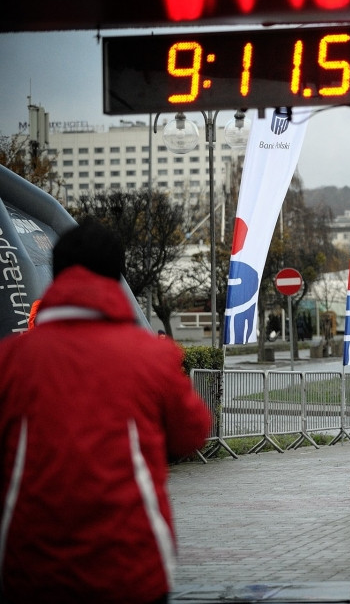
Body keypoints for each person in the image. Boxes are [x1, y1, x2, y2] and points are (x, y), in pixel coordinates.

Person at [0, 218, 212, 603]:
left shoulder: (10, 360)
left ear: (58, 274)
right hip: (131, 567)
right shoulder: (151, 357)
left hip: (32, 570)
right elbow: (192, 434)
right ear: (116, 276)